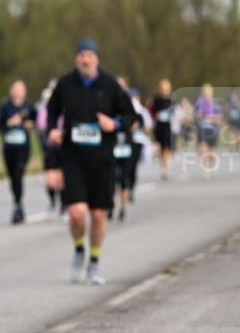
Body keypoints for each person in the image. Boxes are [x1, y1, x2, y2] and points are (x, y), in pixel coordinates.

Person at [46, 38, 135, 285]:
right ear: (76, 59)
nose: (85, 60)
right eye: (81, 55)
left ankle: (94, 262)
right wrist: (53, 130)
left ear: (97, 59)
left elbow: (131, 116)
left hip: (102, 160)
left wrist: (114, 124)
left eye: (89, 55)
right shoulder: (65, 84)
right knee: (76, 213)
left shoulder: (110, 85)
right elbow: (51, 111)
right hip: (73, 158)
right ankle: (78, 249)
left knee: (98, 215)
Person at [0, 80, 37, 224]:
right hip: (9, 147)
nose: (17, 92)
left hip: (23, 148)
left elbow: (39, 122)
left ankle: (17, 206)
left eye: (20, 89)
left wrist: (28, 124)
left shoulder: (30, 107)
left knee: (18, 174)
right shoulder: (4, 107)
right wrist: (8, 124)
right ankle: (18, 203)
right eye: (15, 89)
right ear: (11, 91)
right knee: (12, 177)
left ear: (25, 91)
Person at [110, 78, 148, 222]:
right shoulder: (107, 104)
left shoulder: (131, 105)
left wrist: (133, 125)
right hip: (112, 146)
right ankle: (111, 205)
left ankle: (123, 208)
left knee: (124, 179)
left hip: (126, 145)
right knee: (111, 178)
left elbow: (139, 121)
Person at [36, 79, 65, 216]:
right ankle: (53, 201)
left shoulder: (66, 104)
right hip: (50, 146)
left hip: (64, 145)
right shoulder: (45, 107)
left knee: (63, 177)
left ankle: (64, 203)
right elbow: (41, 126)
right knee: (50, 179)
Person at [147, 79, 174, 180]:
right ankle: (163, 165)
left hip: (168, 126)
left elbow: (175, 112)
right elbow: (150, 112)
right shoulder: (155, 99)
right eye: (163, 89)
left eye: (166, 89)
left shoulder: (171, 99)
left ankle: (165, 168)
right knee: (160, 147)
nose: (165, 91)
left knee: (167, 147)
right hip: (158, 126)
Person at [194, 84, 222, 179]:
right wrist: (199, 115)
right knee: (203, 149)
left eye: (208, 93)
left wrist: (212, 118)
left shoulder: (215, 104)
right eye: (205, 93)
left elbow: (219, 120)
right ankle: (206, 168)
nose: (206, 95)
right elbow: (194, 115)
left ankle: (210, 163)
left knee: (210, 151)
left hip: (212, 130)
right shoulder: (199, 103)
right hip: (202, 130)